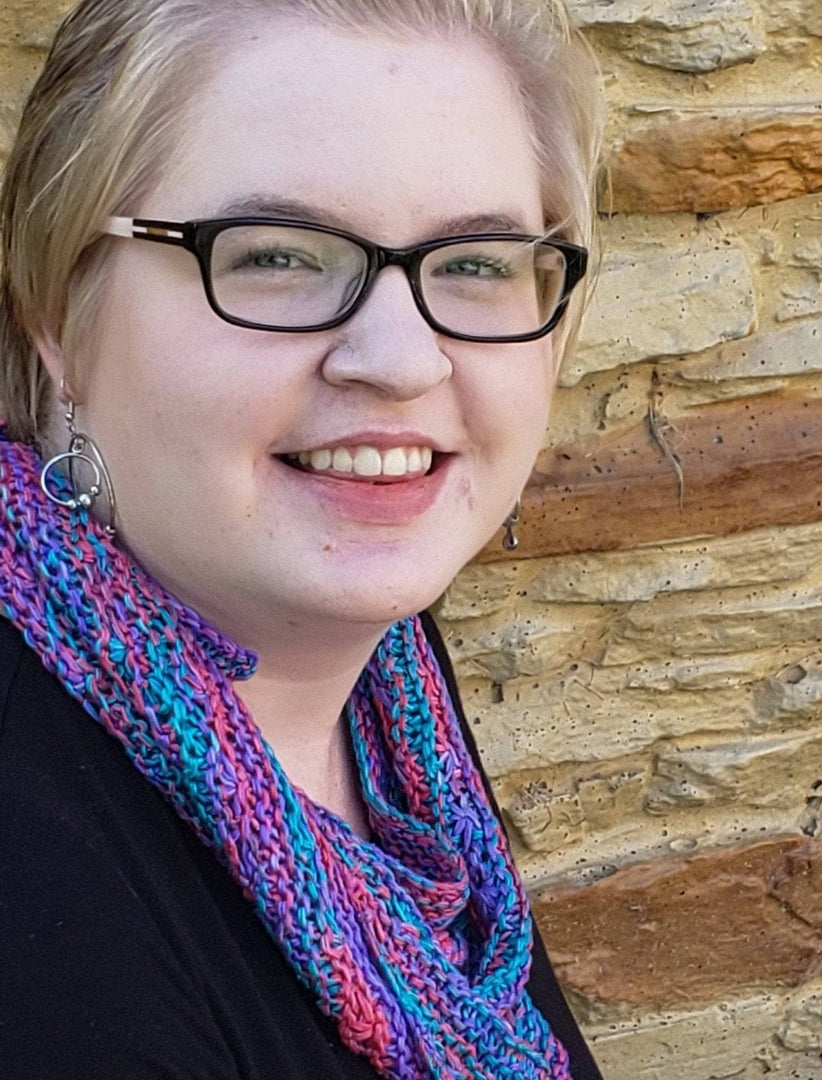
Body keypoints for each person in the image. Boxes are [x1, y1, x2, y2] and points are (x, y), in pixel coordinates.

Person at [0, 0, 604, 1076]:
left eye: (473, 263)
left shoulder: (381, 683)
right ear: (58, 309)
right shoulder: (39, 905)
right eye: (277, 256)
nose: (400, 359)